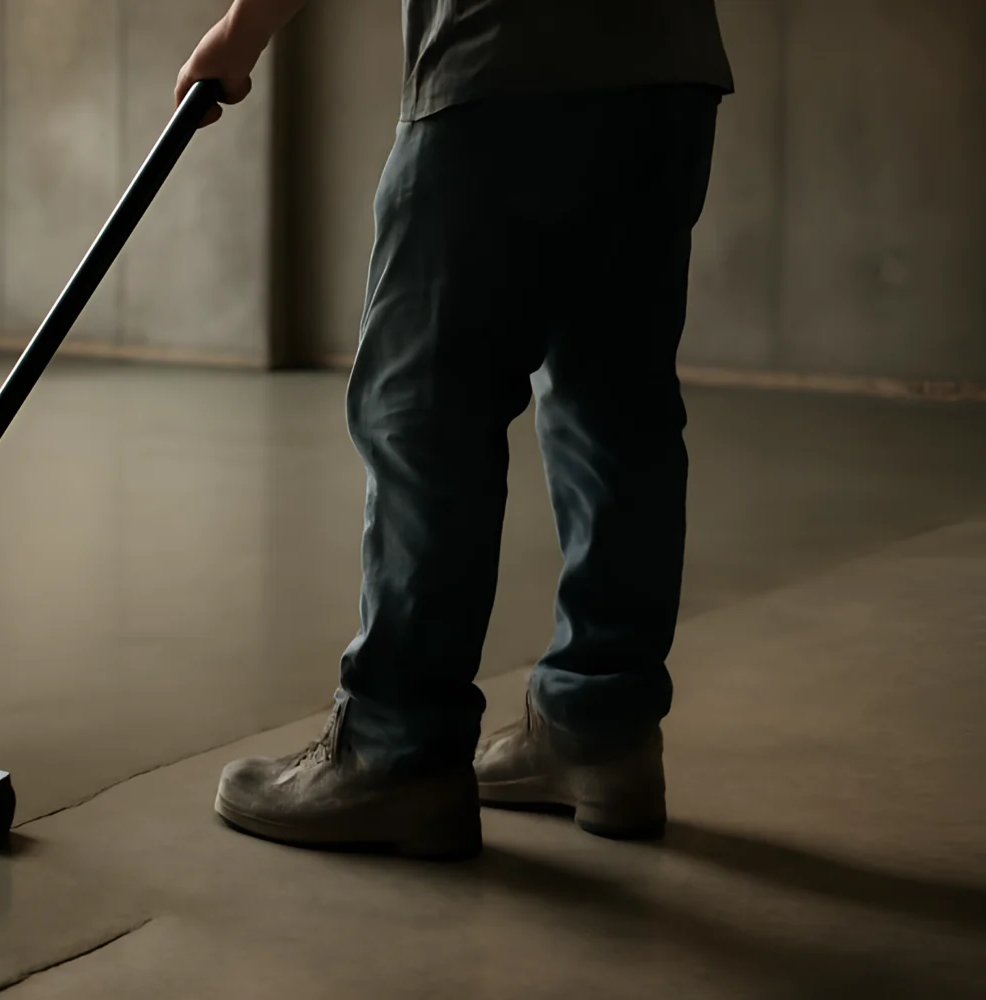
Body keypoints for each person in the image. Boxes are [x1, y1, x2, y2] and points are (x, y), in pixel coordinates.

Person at [180, 0, 733, 859]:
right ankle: (602, 727)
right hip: (666, 70)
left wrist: (239, 34)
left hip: (499, 58)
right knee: (614, 403)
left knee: (424, 409)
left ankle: (396, 750)